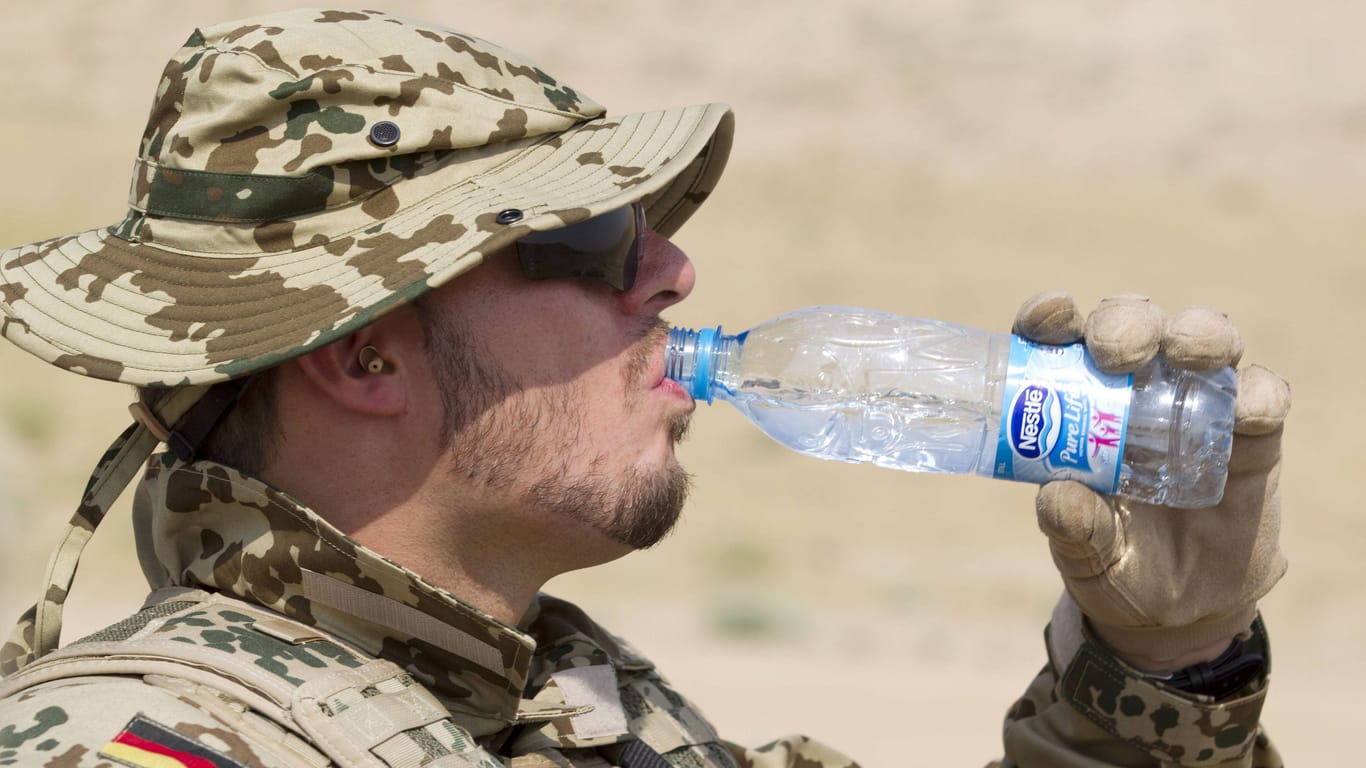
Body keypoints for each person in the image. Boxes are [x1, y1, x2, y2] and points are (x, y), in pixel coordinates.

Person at [0, 9, 1290, 767]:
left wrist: (1163, 675)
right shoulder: (143, 743)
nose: (671, 271)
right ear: (362, 354)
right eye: (588, 239)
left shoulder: (573, 712)